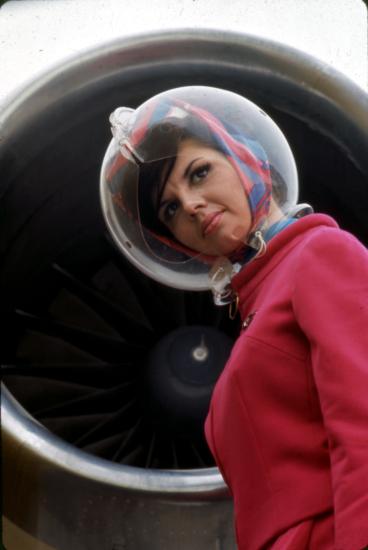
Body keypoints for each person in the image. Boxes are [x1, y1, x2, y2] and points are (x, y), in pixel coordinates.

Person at [100, 86, 368, 550]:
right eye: (170, 208)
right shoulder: (255, 308)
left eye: (199, 172)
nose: (190, 204)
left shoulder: (319, 254)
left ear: (246, 156)